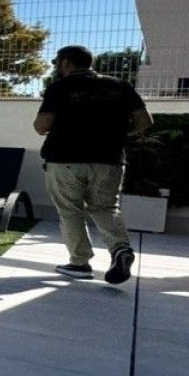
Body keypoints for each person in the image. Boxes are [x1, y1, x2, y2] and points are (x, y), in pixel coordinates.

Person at [34, 44, 151, 283]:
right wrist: (118, 135)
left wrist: (43, 127)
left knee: (70, 210)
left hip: (65, 159)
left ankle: (80, 263)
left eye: (57, 62)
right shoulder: (120, 86)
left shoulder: (60, 87)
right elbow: (145, 122)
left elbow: (42, 124)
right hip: (109, 160)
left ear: (67, 62)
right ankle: (120, 249)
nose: (57, 67)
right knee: (106, 207)